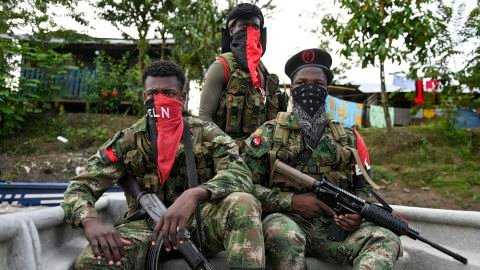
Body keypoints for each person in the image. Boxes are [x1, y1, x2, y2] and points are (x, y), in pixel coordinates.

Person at [62, 60, 265, 270]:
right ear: (144, 97)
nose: (159, 99)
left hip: (197, 222)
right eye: (152, 93)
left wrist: (195, 194)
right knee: (92, 262)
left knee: (243, 202)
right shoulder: (128, 140)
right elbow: (80, 187)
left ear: (182, 97)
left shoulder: (206, 133)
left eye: (168, 93)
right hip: (144, 227)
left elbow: (240, 174)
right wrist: (91, 222)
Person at [241, 49, 401, 270]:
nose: (310, 89)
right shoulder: (268, 134)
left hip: (334, 228)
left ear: (326, 90)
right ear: (292, 88)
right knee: (283, 235)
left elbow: (364, 189)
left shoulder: (347, 137)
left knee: (385, 238)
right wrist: (291, 202)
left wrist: (355, 215)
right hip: (285, 221)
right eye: (301, 83)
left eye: (317, 84)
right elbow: (244, 187)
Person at [198, 3, 287, 144]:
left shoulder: (265, 73)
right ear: (232, 30)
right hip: (228, 158)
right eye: (244, 26)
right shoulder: (222, 67)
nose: (250, 31)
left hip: (260, 156)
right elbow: (204, 118)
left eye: (255, 27)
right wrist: (229, 147)